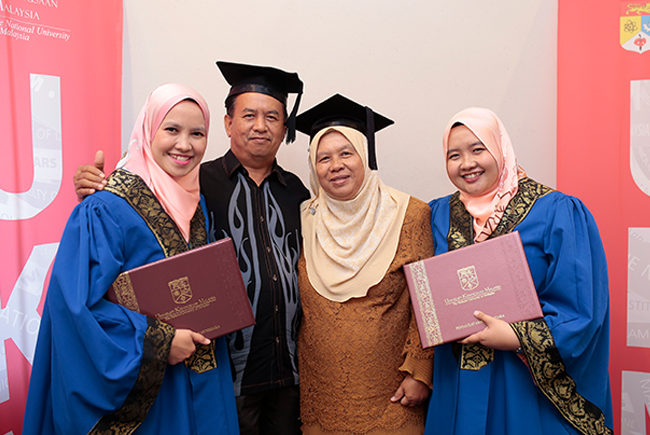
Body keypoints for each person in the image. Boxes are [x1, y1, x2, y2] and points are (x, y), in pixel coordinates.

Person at [72, 62, 309, 435]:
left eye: (272, 117)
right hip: (222, 368)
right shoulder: (193, 182)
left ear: (284, 128)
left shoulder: (298, 192)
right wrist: (95, 187)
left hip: (288, 368)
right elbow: (138, 199)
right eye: (249, 115)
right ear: (228, 124)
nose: (260, 126)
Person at [23, 83, 241, 434]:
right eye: (171, 129)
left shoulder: (195, 201)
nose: (185, 144)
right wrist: (160, 342)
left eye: (197, 133)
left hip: (203, 378)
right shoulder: (104, 207)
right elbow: (75, 309)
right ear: (148, 130)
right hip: (150, 391)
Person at [425, 107, 613, 435]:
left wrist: (517, 337)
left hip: (523, 385)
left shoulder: (556, 211)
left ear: (500, 148)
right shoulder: (435, 215)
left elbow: (582, 308)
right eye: (454, 155)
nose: (466, 163)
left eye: (478, 149)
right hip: (455, 379)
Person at [295, 94, 434, 435]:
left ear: (366, 156)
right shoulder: (304, 218)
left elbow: (427, 300)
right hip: (321, 397)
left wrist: (420, 371)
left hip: (393, 396)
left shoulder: (410, 214)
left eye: (346, 153)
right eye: (323, 158)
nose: (335, 165)